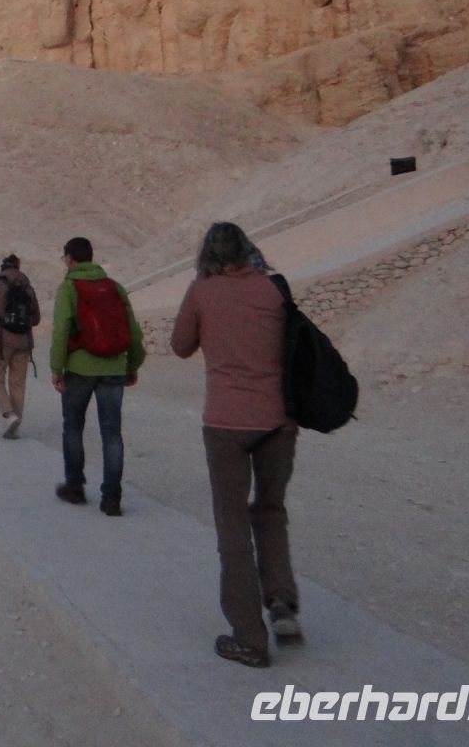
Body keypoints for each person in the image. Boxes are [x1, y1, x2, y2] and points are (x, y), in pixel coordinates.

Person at [171, 222, 301, 669]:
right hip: (278, 421)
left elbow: (180, 345)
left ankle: (249, 636)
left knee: (232, 525)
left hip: (226, 422)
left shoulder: (202, 291)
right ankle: (281, 601)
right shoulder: (272, 288)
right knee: (270, 510)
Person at [49, 237, 146, 515]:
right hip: (114, 368)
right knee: (111, 432)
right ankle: (112, 497)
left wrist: (56, 368)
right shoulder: (114, 287)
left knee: (73, 427)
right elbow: (133, 329)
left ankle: (75, 486)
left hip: (80, 368)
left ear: (69, 258)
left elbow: (61, 329)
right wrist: (132, 365)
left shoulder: (69, 288)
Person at [0, 254, 40, 438]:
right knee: (18, 384)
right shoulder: (28, 287)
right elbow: (36, 318)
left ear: (3, 267)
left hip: (0, 340)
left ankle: (9, 414)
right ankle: (15, 426)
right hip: (24, 342)